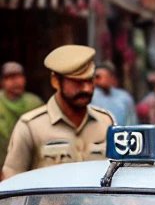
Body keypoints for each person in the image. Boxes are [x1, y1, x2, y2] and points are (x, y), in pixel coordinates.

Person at [2, 45, 114, 179]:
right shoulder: (31, 127)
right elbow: (11, 182)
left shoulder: (106, 122)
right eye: (77, 82)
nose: (87, 88)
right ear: (56, 81)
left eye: (90, 80)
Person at [0, 61, 43, 169]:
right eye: (10, 78)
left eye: (19, 77)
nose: (16, 82)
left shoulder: (34, 103)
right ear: (2, 82)